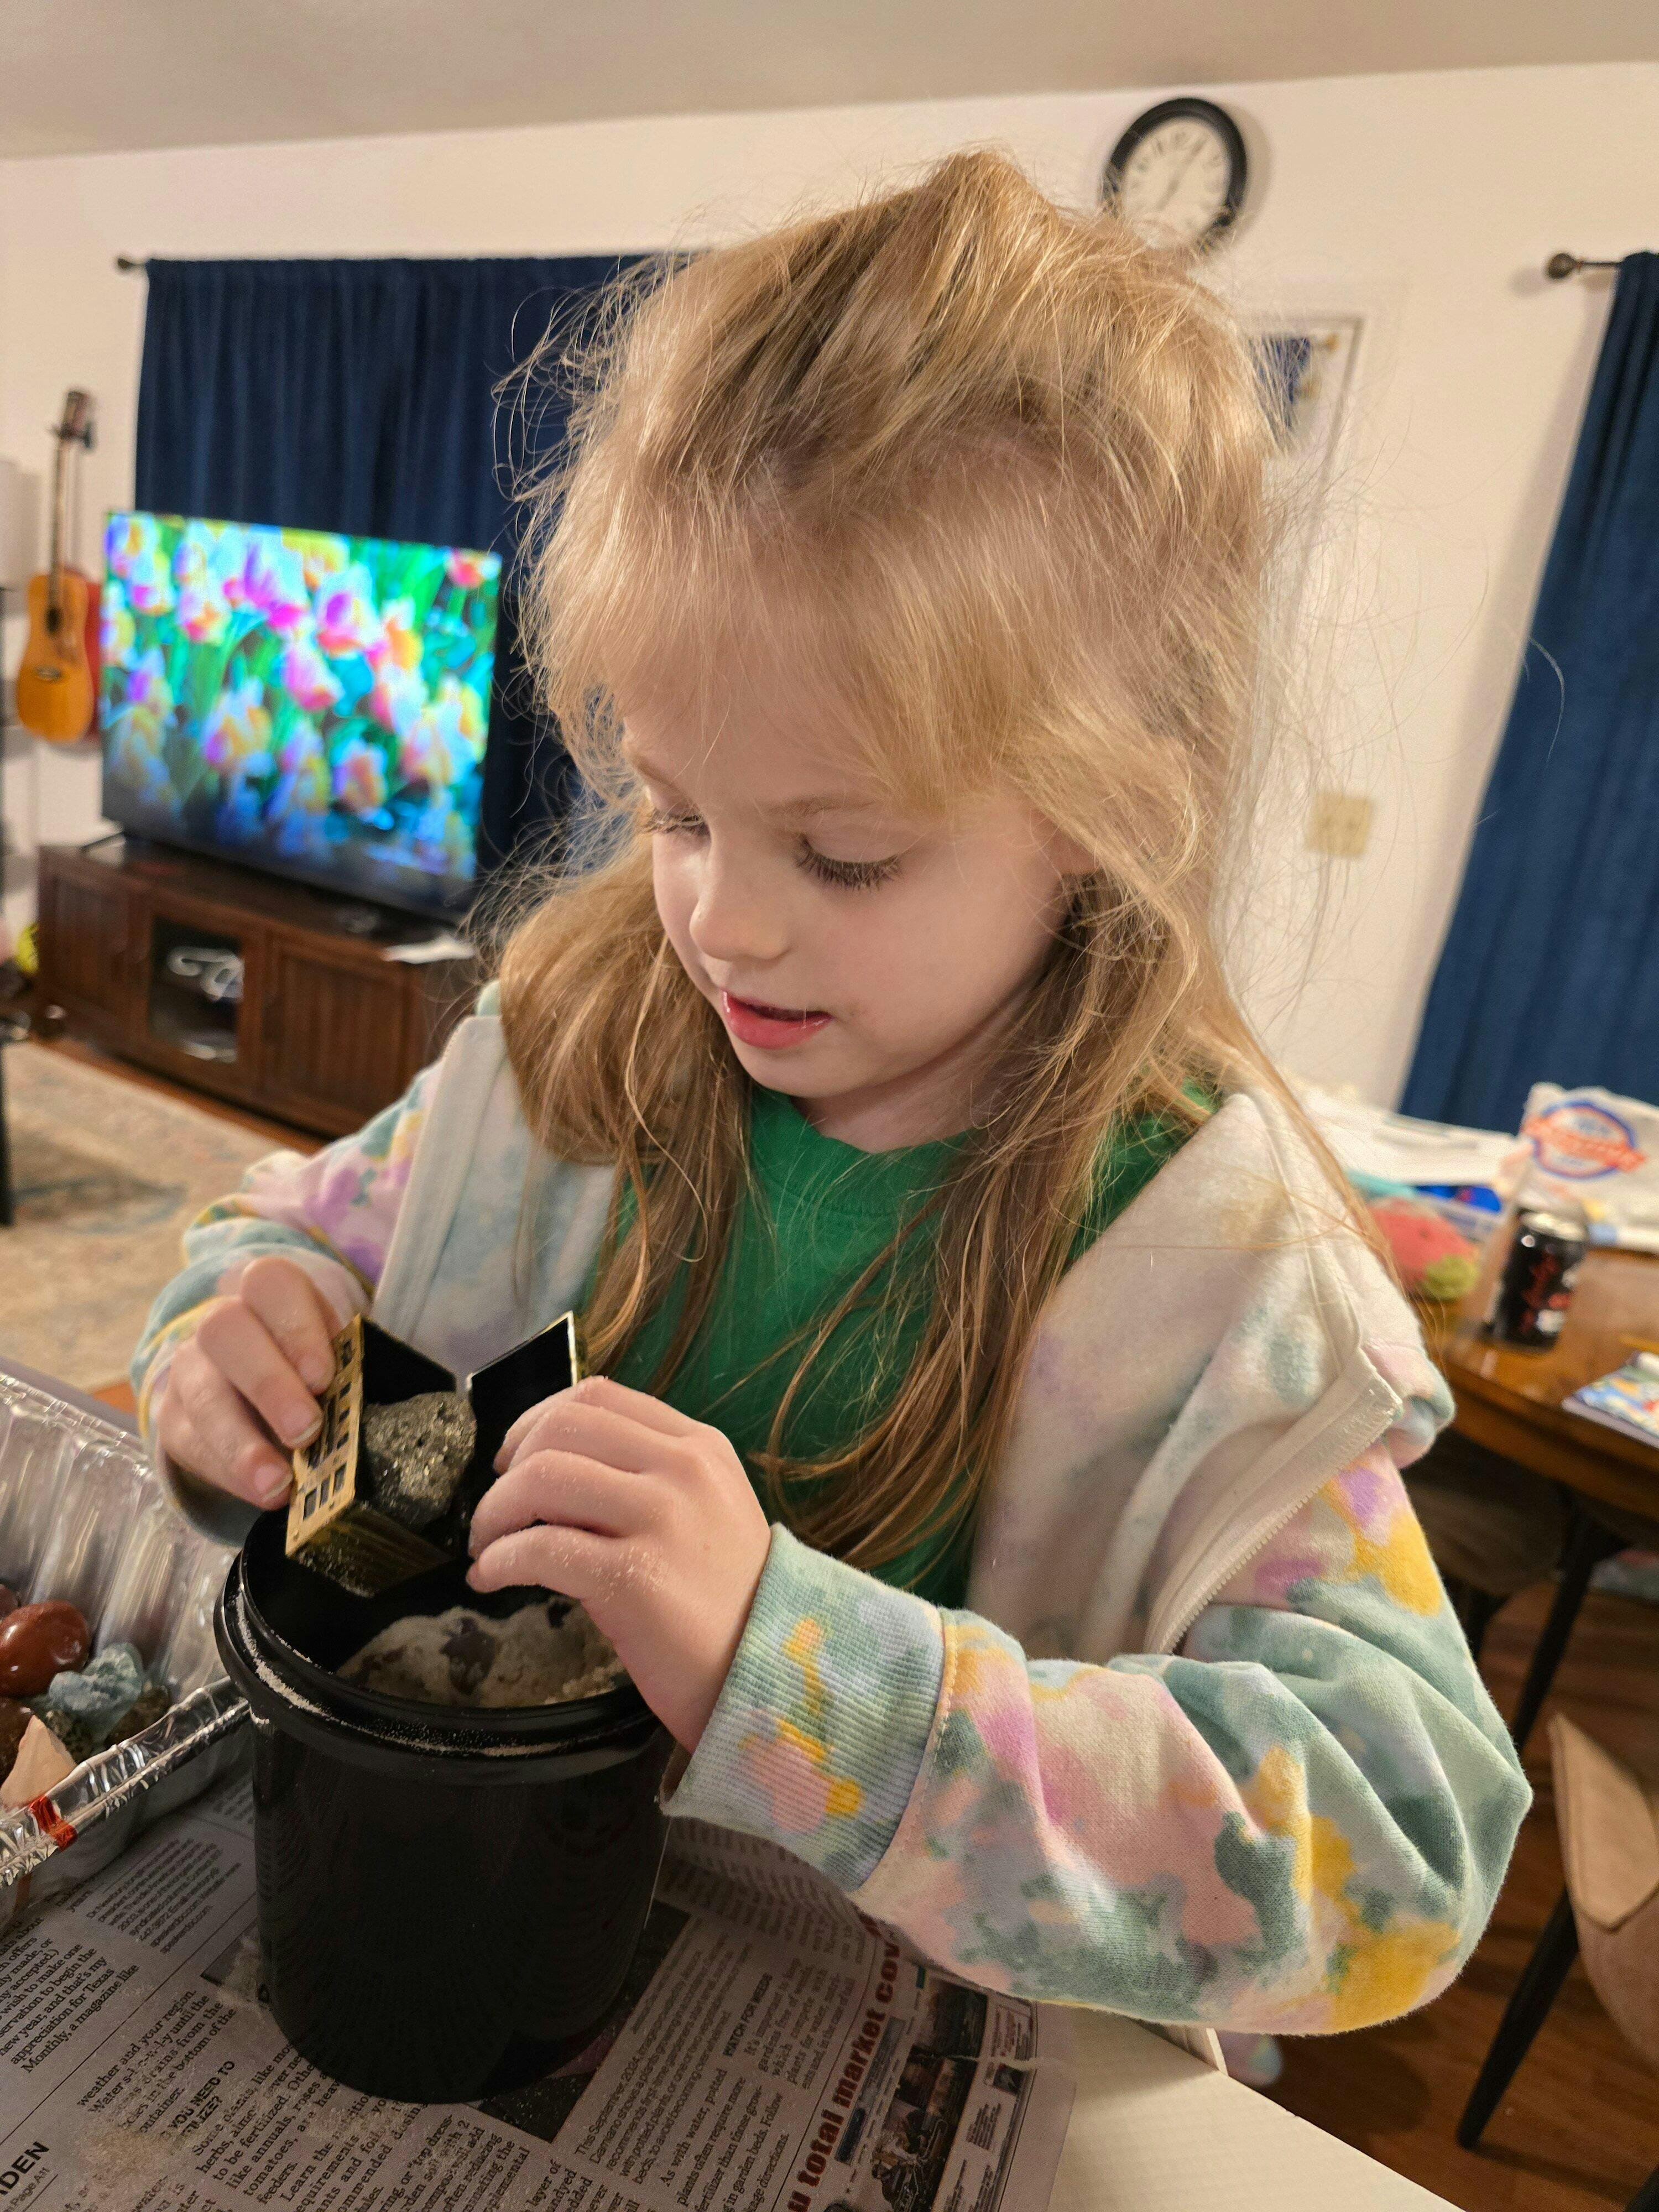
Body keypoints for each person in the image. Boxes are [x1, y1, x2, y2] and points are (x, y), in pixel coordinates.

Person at [134, 150, 1527, 2037]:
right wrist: (235, 1326)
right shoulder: (573, 1049)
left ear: (1111, 809)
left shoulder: (1211, 1280)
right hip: (467, 1921)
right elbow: (282, 1243)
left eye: (845, 853)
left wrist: (802, 1676)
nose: (721, 922)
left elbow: (1399, 1848)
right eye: (672, 810)